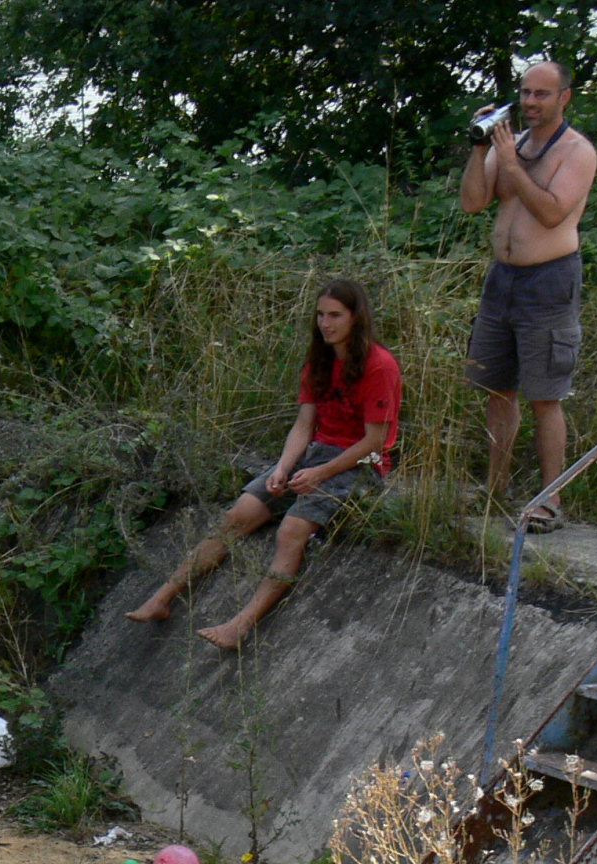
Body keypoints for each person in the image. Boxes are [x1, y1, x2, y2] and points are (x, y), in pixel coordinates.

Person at [126, 278, 402, 650]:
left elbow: (375, 441)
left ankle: (240, 625)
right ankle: (163, 597)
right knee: (237, 514)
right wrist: (283, 468)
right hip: (316, 453)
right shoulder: (319, 360)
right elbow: (304, 424)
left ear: (356, 317)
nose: (325, 323)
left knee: (290, 531)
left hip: (362, 463)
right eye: (320, 315)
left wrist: (320, 473)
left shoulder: (379, 365)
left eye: (335, 315)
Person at [459, 59, 596, 527]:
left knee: (545, 395)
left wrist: (512, 166)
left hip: (549, 280)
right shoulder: (509, 144)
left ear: (564, 98)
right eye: (525, 93)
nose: (530, 102)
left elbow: (552, 212)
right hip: (502, 280)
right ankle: (495, 488)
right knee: (498, 388)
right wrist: (481, 148)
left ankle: (550, 498)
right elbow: (473, 202)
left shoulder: (576, 151)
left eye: (541, 94)